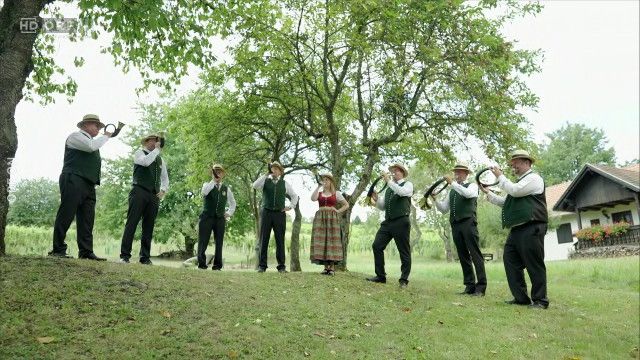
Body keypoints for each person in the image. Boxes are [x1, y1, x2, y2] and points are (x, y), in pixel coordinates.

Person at [481, 150, 549, 309]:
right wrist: (488, 193)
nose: (513, 166)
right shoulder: (519, 183)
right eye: (512, 164)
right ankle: (521, 298)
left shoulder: (534, 179)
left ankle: (540, 301)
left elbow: (514, 191)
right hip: (517, 229)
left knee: (534, 263)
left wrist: (499, 176)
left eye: (516, 163)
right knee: (510, 260)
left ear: (527, 162)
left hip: (532, 225)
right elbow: (507, 202)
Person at [49, 114, 113, 260]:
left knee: (87, 218)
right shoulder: (75, 137)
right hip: (74, 178)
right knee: (67, 213)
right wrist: (107, 136)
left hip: (89, 183)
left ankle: (86, 252)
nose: (98, 128)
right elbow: (91, 147)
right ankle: (57, 249)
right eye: (95, 125)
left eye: (99, 126)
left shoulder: (93, 141)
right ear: (85, 125)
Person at [433, 162, 487, 296]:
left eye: (460, 172)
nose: (457, 174)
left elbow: (468, 194)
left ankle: (480, 287)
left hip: (469, 222)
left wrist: (453, 184)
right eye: (455, 172)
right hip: (456, 224)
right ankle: (469, 286)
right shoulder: (452, 191)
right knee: (463, 255)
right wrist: (435, 200)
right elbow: (444, 209)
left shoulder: (472, 186)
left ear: (466, 174)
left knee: (475, 254)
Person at [119, 133, 169, 265]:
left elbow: (165, 177)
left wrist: (163, 190)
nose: (156, 143)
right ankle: (125, 256)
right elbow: (146, 162)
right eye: (154, 141)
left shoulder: (160, 160)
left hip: (153, 195)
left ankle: (145, 257)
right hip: (139, 191)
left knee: (149, 226)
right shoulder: (139, 153)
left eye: (157, 141)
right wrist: (157, 150)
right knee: (132, 223)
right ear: (147, 142)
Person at [366, 164, 413, 288]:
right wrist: (376, 200)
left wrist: (388, 181)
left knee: (404, 251)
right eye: (392, 171)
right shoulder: (389, 189)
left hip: (401, 221)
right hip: (388, 222)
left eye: (396, 171)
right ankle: (380, 276)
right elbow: (383, 207)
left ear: (402, 173)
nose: (393, 173)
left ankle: (404, 279)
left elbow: (401, 192)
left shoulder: (407, 185)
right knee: (377, 245)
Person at [252, 161, 299, 273]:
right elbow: (254, 185)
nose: (274, 170)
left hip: (279, 214)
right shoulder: (265, 181)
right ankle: (262, 266)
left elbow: (294, 196)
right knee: (264, 239)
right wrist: (265, 174)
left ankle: (281, 266)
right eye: (272, 168)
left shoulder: (285, 184)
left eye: (277, 169)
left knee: (280, 240)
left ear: (280, 172)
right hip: (266, 213)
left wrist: (290, 206)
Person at [196, 164, 236, 270]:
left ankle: (217, 265)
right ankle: (201, 264)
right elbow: (204, 192)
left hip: (219, 218)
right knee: (203, 241)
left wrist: (228, 213)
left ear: (223, 174)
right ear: (212, 174)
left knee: (219, 242)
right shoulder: (207, 185)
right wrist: (213, 181)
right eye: (215, 172)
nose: (217, 174)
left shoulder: (226, 189)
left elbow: (233, 203)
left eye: (219, 172)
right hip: (206, 217)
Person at [310, 173, 349, 275]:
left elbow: (346, 205)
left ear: (331, 181)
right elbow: (312, 199)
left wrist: (337, 211)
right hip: (320, 219)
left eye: (327, 180)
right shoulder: (319, 193)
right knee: (322, 240)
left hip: (332, 219)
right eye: (324, 180)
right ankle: (325, 268)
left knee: (331, 240)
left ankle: (331, 268)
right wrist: (318, 186)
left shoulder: (336, 193)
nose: (325, 182)